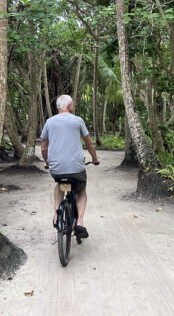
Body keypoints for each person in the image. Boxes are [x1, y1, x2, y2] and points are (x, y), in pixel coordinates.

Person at [41, 94, 99, 239]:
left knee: (59, 185)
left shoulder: (49, 122)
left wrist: (47, 163)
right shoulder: (78, 121)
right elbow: (89, 144)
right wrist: (95, 159)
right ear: (70, 106)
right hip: (76, 169)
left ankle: (56, 215)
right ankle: (79, 222)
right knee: (81, 190)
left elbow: (43, 148)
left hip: (57, 169)